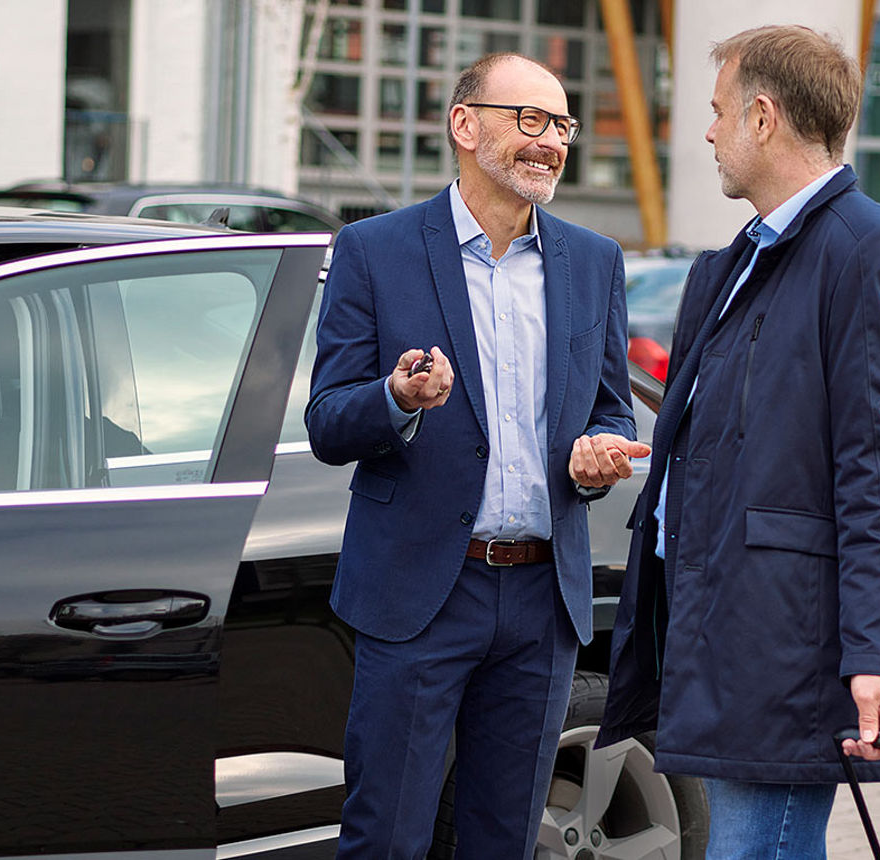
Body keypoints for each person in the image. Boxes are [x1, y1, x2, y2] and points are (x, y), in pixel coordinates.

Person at [597, 25, 880, 859]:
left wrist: (875, 656)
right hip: (715, 623)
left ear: (762, 116)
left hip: (786, 644)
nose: (706, 132)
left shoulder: (867, 252)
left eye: (716, 112)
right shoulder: (731, 265)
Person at [306, 53, 649, 857]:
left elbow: (604, 402)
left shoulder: (593, 260)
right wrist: (396, 399)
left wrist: (597, 452)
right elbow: (327, 422)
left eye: (561, 126)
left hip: (543, 600)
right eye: (531, 121)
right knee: (388, 837)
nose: (552, 143)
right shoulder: (373, 250)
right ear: (466, 126)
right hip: (421, 591)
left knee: (504, 840)